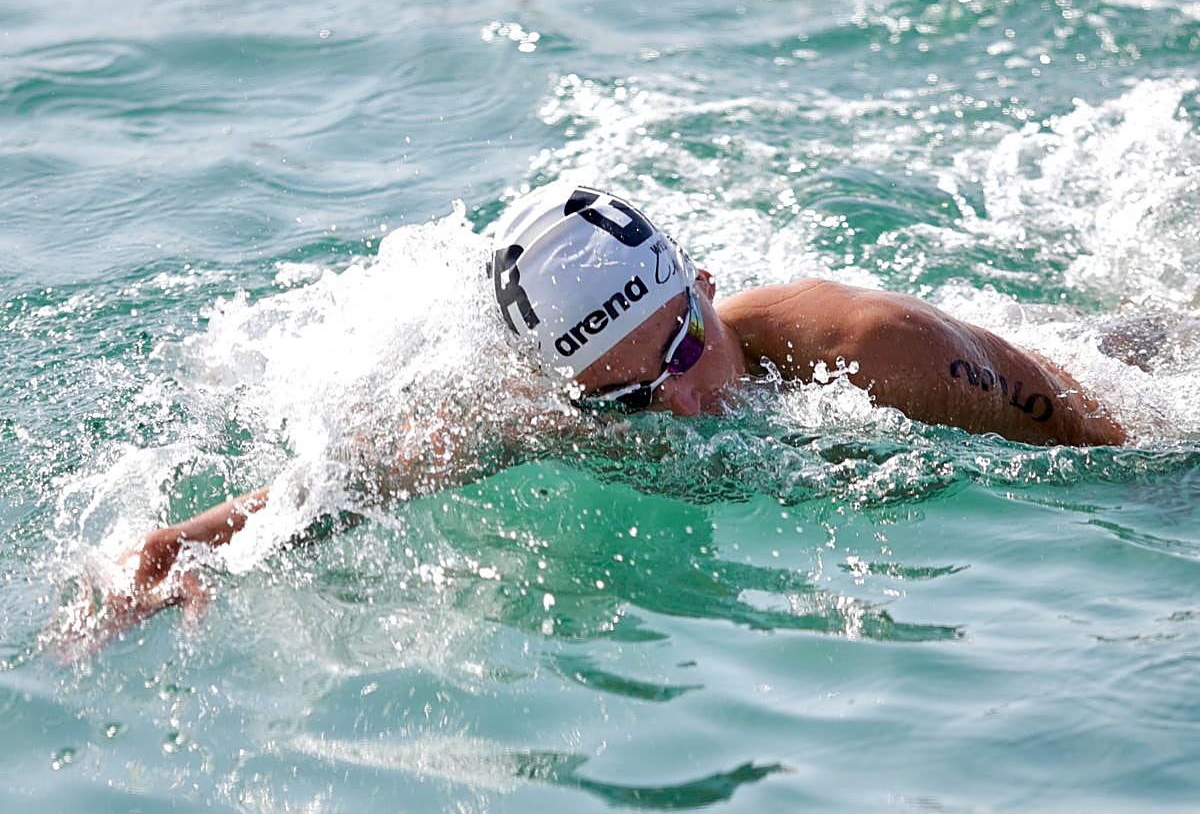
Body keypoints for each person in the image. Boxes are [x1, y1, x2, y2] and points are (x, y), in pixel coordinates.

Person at [78, 183, 1125, 644]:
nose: (682, 403)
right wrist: (164, 554)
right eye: (631, 395)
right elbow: (330, 492)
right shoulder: (556, 413)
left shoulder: (881, 356)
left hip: (1123, 373)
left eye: (683, 348)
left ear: (707, 283)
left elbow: (1121, 446)